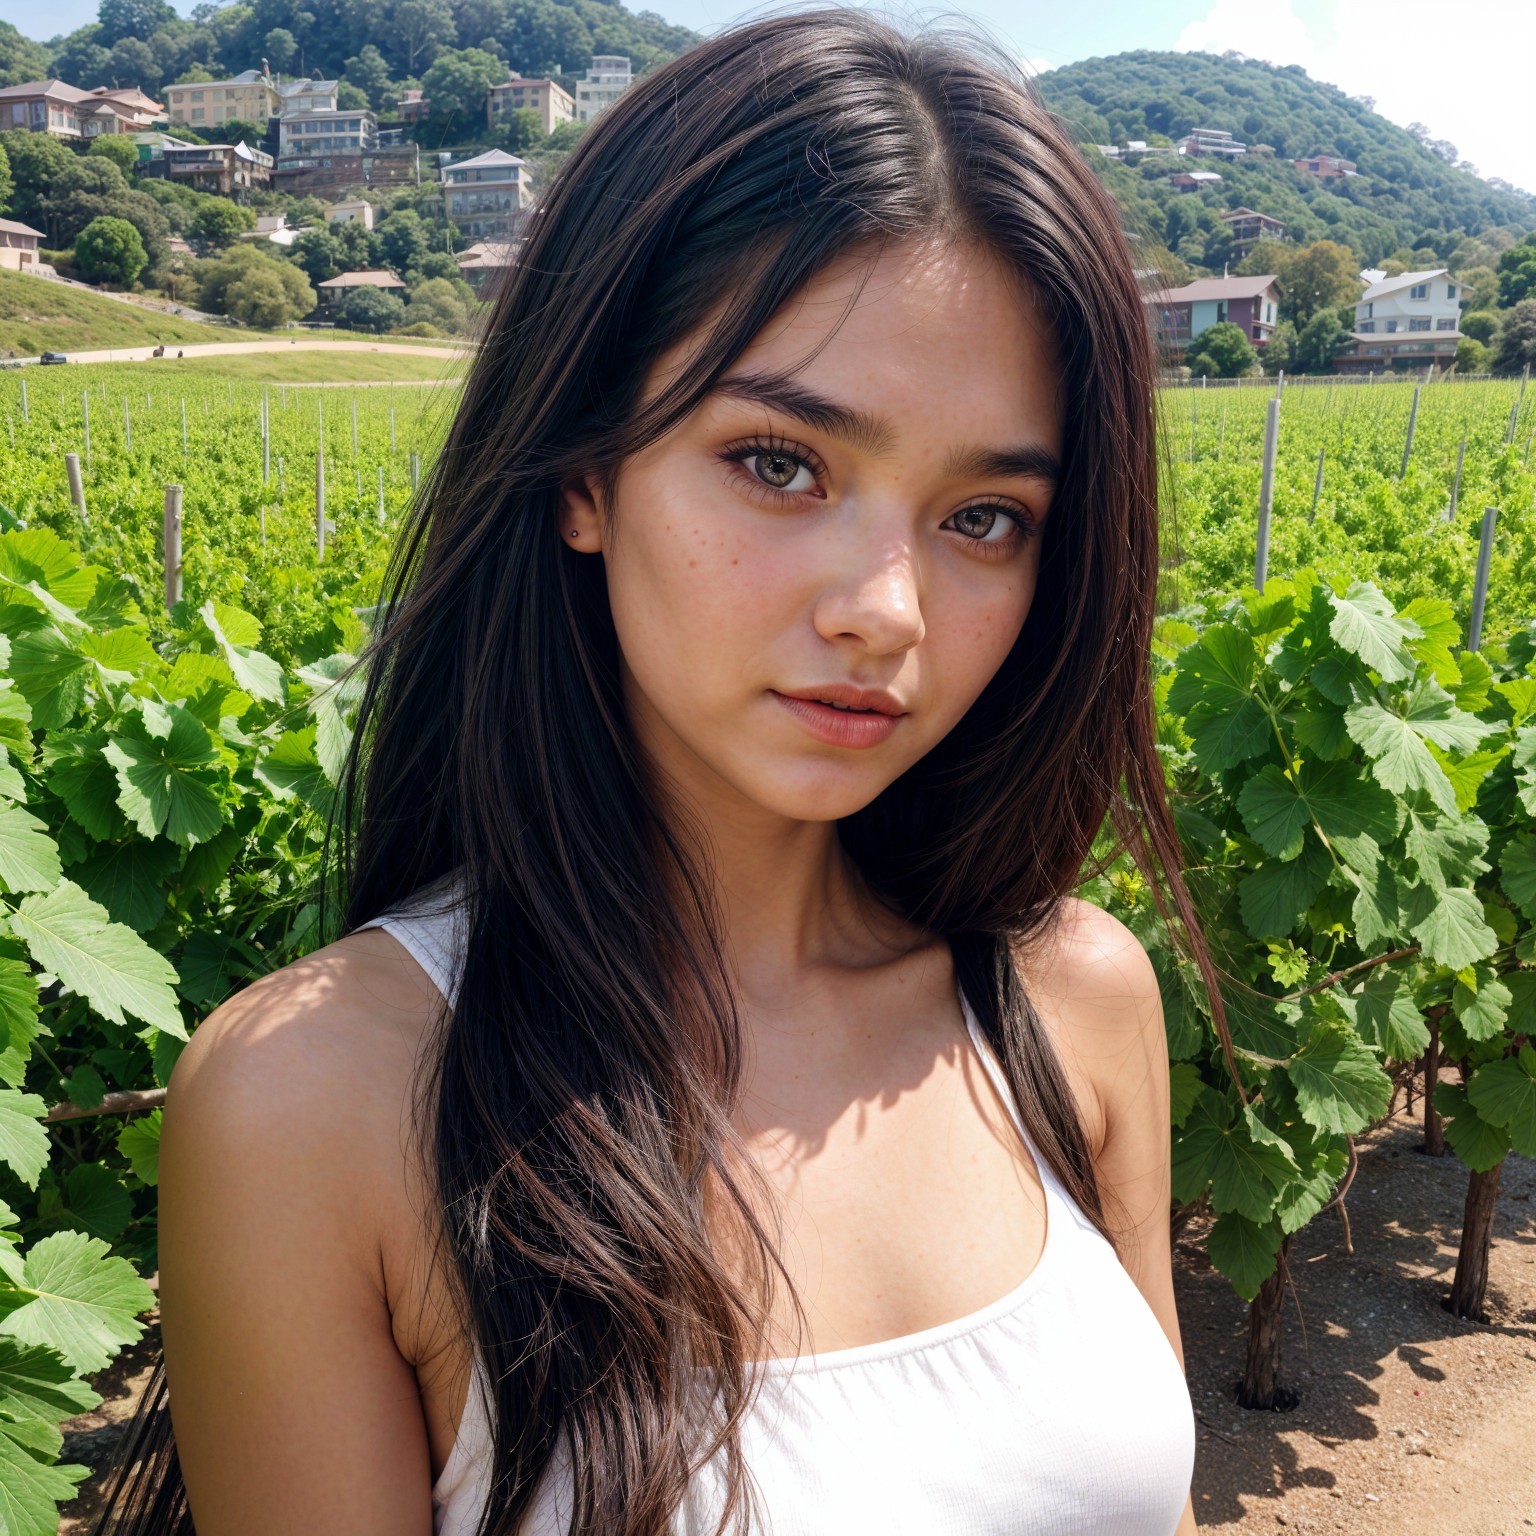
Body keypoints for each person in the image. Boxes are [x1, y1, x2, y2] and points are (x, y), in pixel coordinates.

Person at [92, 11, 1225, 1535]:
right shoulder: (321, 1105)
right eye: (779, 461)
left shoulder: (1073, 1005)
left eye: (985, 519)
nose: (884, 609)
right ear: (583, 472)